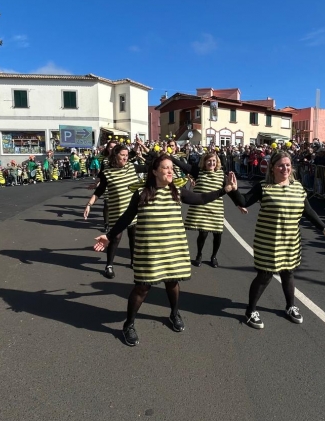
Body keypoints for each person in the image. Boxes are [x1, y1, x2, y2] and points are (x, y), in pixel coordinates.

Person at [92, 155, 237, 346]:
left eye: (171, 168)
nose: (170, 171)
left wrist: (225, 190)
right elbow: (126, 218)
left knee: (172, 282)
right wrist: (109, 236)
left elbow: (201, 198)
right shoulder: (142, 194)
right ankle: (128, 325)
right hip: (149, 251)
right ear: (154, 172)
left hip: (172, 248)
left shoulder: (177, 191)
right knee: (142, 287)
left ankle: (174, 314)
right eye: (165, 168)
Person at [228, 151, 325, 330]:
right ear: (272, 167)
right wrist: (233, 190)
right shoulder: (263, 186)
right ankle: (250, 311)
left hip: (290, 240)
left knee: (288, 273)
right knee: (265, 275)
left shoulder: (298, 187)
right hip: (268, 241)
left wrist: (324, 228)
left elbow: (308, 211)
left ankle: (290, 306)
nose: (284, 168)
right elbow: (244, 201)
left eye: (287, 165)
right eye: (280, 165)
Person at [84, 145, 146, 279]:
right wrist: (89, 204)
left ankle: (133, 261)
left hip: (133, 210)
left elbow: (150, 167)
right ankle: (109, 265)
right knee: (115, 237)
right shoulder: (108, 173)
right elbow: (99, 192)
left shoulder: (131, 167)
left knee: (133, 236)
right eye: (122, 155)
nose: (125, 157)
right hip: (116, 211)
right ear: (115, 155)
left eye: (127, 155)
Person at [171, 151, 230, 267]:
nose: (211, 163)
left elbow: (230, 190)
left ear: (217, 162)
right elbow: (183, 166)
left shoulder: (221, 175)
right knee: (203, 233)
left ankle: (214, 257)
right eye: (209, 161)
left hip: (216, 209)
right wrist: (170, 158)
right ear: (204, 162)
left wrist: (240, 204)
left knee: (217, 234)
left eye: (213, 161)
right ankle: (199, 255)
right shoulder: (199, 172)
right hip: (202, 209)